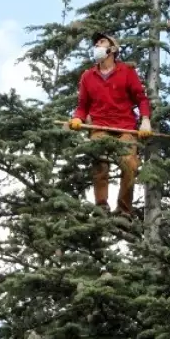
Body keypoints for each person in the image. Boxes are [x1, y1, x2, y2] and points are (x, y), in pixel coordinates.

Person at [69, 31, 152, 217]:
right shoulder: (87, 76)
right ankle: (101, 207)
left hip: (125, 127)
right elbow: (82, 105)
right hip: (99, 127)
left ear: (113, 49)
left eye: (102, 42)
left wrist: (145, 121)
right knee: (100, 161)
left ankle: (124, 210)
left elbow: (141, 99)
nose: (97, 45)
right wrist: (78, 118)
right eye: (96, 43)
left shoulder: (127, 72)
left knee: (129, 164)